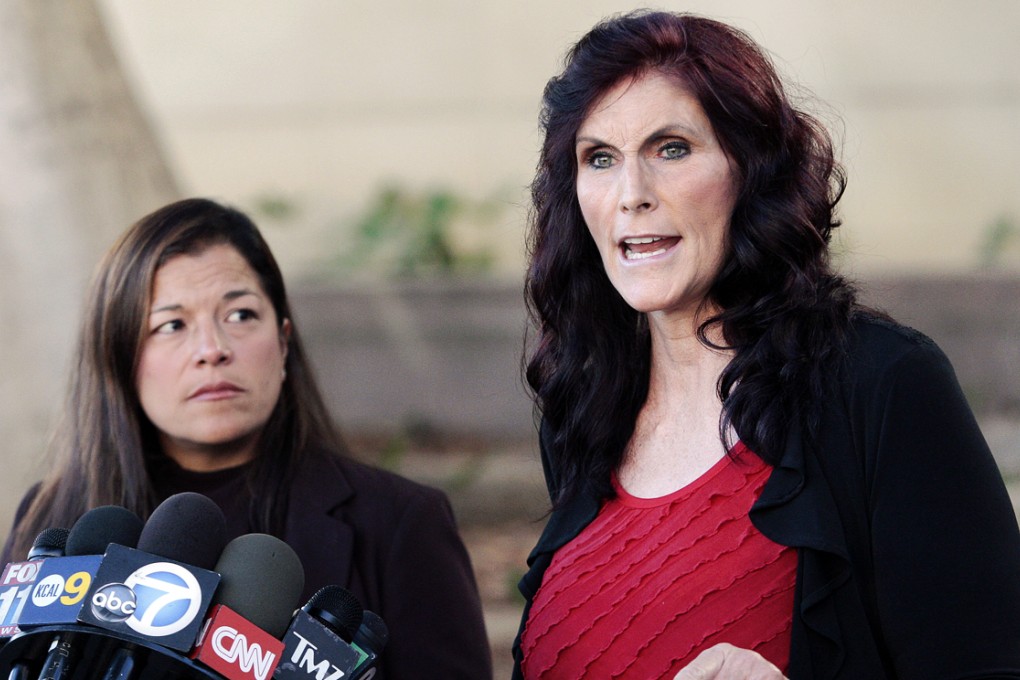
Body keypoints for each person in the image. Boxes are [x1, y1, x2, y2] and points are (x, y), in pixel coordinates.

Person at [514, 10, 1020, 680]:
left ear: (749, 171)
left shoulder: (882, 382)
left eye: (671, 148)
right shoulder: (582, 412)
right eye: (599, 158)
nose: (631, 195)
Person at [0, 198, 492, 679]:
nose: (212, 350)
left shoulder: (401, 521)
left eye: (240, 316)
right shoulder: (52, 516)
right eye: (171, 325)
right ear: (121, 360)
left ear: (282, 342)